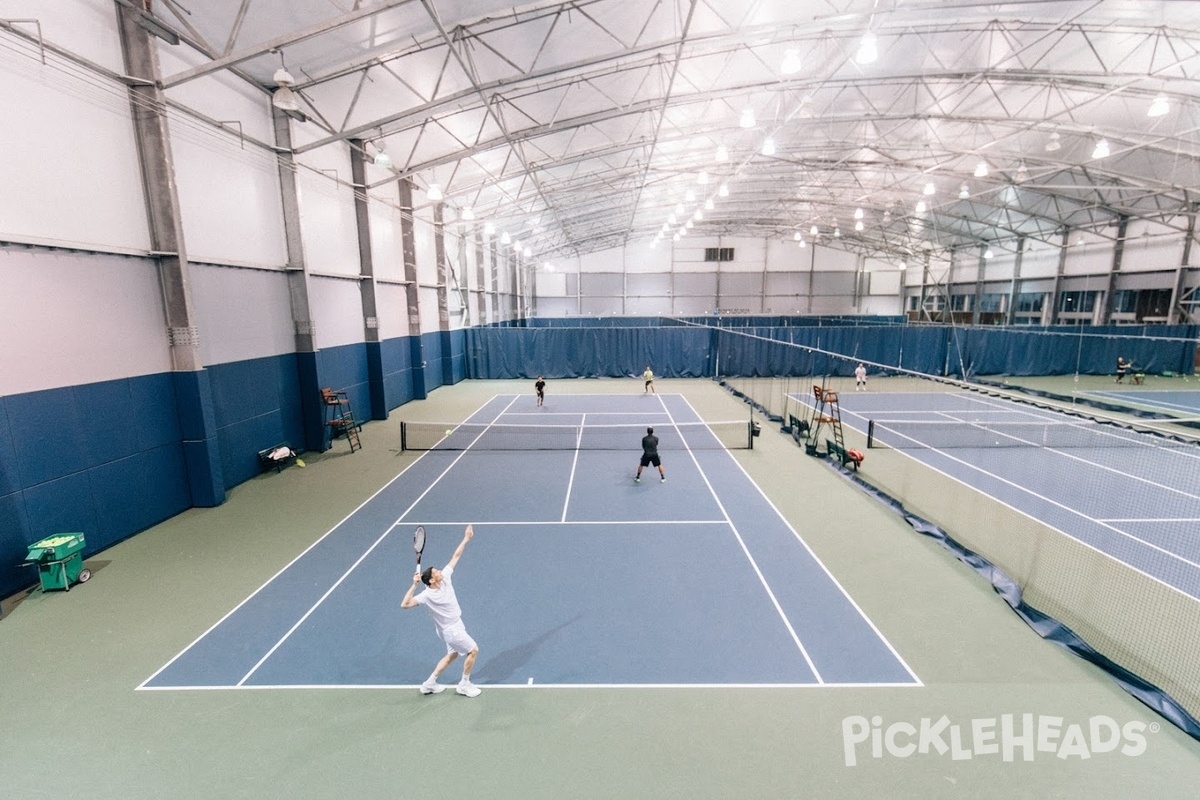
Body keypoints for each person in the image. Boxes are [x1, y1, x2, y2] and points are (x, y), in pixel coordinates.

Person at [400, 524, 481, 698]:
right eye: (436, 572)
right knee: (473, 650)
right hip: (451, 630)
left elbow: (455, 556)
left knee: (452, 655)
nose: (439, 571)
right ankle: (464, 685)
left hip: (450, 627)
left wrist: (466, 538)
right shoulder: (426, 595)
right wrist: (414, 586)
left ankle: (429, 684)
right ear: (430, 581)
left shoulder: (445, 578)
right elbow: (405, 604)